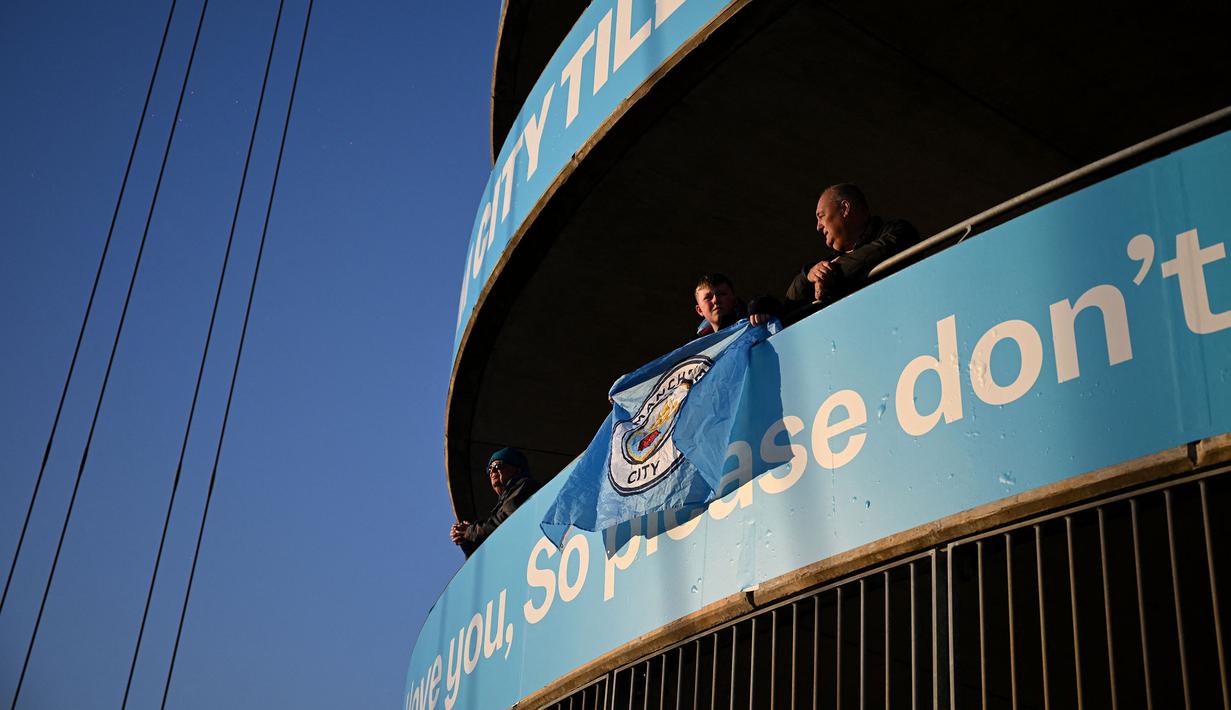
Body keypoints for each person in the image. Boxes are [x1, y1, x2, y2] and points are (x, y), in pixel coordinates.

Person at [784, 183, 920, 314]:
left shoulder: (898, 231)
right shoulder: (829, 262)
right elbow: (790, 305)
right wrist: (808, 276)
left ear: (845, 208)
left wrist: (831, 273)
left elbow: (883, 249)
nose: (818, 227)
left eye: (821, 216)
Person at [450, 447, 539, 557]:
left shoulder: (525, 486)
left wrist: (470, 531)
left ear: (517, 469)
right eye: (489, 469)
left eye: (497, 466)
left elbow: (507, 520)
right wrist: (465, 539)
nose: (492, 471)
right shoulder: (501, 504)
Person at [693, 273, 776, 338]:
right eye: (708, 297)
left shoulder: (753, 318)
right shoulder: (695, 349)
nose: (715, 300)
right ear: (699, 310)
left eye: (722, 294)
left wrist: (762, 305)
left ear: (734, 300)